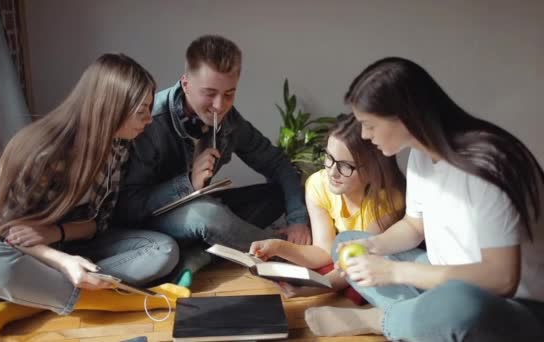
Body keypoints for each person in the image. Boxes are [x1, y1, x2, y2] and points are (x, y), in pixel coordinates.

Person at [304, 57, 544, 341]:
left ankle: (382, 319)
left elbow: (501, 279)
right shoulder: (421, 155)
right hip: (444, 279)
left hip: (513, 305)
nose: (366, 136)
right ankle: (423, 322)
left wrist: (394, 272)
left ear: (404, 116)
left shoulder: (490, 165)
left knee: (456, 303)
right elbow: (413, 226)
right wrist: (372, 244)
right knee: (347, 245)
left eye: (369, 125)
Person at [0, 54, 189, 334]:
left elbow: (101, 223)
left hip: (72, 246)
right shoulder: (41, 151)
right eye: (141, 111)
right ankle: (111, 299)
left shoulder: (119, 147)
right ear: (111, 107)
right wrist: (62, 262)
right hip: (28, 257)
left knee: (163, 250)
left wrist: (56, 232)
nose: (148, 120)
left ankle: (32, 300)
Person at [114, 35, 311, 286]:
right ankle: (285, 255)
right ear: (185, 84)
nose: (220, 105)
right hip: (151, 225)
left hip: (204, 211)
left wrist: (297, 221)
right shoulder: (151, 121)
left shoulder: (229, 121)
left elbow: (277, 164)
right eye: (209, 94)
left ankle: (198, 256)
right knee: (207, 215)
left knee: (275, 194)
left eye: (229, 94)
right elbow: (128, 208)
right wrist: (187, 183)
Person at [249, 113, 405, 298]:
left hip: (380, 260)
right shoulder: (319, 184)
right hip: (351, 258)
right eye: (329, 157)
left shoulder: (387, 200)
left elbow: (360, 262)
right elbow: (323, 252)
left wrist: (314, 289)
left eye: (346, 166)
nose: (332, 172)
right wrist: (277, 247)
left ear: (373, 169)